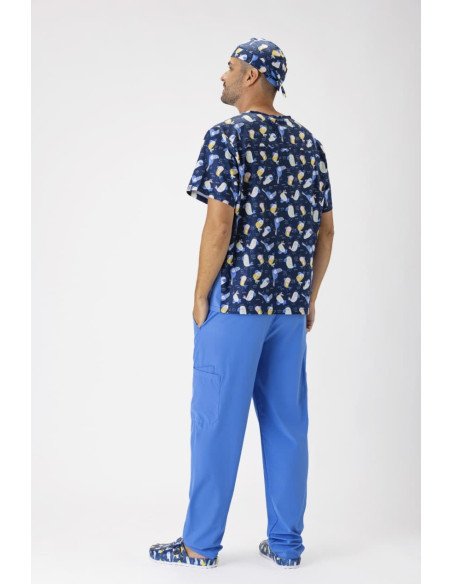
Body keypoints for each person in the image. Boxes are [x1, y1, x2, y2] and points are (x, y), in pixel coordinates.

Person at [149, 36, 334, 569]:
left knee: (216, 422)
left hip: (236, 304)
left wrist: (200, 293)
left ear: (252, 75)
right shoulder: (309, 143)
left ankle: (199, 545)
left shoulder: (227, 136)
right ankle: (287, 545)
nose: (223, 75)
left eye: (229, 66)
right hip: (288, 309)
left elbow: (219, 224)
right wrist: (308, 298)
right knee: (287, 424)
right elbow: (326, 232)